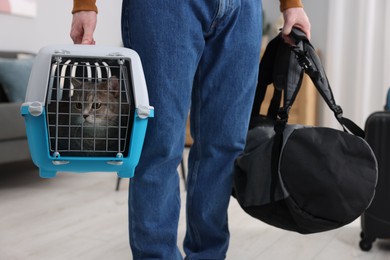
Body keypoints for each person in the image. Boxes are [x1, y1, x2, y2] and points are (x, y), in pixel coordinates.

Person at [70, 0, 311, 259]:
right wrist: (85, 4)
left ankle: (209, 254)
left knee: (225, 146)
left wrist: (291, 3)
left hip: (242, 8)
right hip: (164, 8)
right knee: (158, 145)